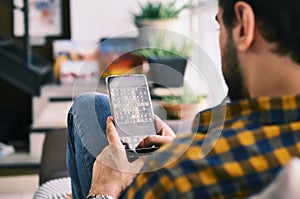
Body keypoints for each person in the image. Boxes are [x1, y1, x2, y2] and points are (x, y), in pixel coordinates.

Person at [66, 0, 300, 198]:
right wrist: (182, 150)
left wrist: (103, 189)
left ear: (242, 26)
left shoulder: (180, 178)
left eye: (220, 27)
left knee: (88, 106)